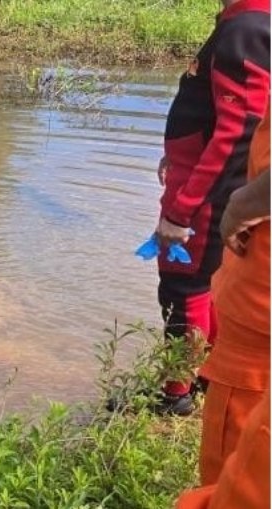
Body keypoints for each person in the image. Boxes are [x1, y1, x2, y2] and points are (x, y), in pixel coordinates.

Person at [151, 0, 269, 415]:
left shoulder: (248, 26)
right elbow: (217, 110)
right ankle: (209, 377)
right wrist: (177, 149)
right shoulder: (243, 20)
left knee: (184, 289)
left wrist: (181, 211)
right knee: (208, 285)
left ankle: (176, 394)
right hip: (204, 177)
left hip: (207, 192)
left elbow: (238, 131)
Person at [175, 105, 270, 507]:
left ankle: (175, 390)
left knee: (233, 482)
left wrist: (245, 201)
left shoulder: (242, 37)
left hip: (258, 316)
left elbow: (231, 127)